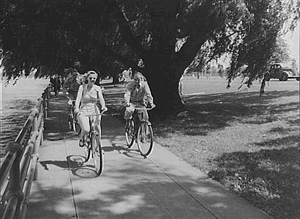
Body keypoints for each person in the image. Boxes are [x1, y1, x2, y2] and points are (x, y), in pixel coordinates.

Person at [75, 70, 107, 147]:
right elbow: (78, 98)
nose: (92, 80)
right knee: (86, 129)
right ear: (87, 78)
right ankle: (82, 137)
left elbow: (101, 98)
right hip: (84, 109)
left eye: (94, 78)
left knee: (97, 127)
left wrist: (103, 106)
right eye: (91, 78)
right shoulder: (82, 87)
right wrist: (76, 108)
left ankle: (99, 146)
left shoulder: (97, 88)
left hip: (94, 109)